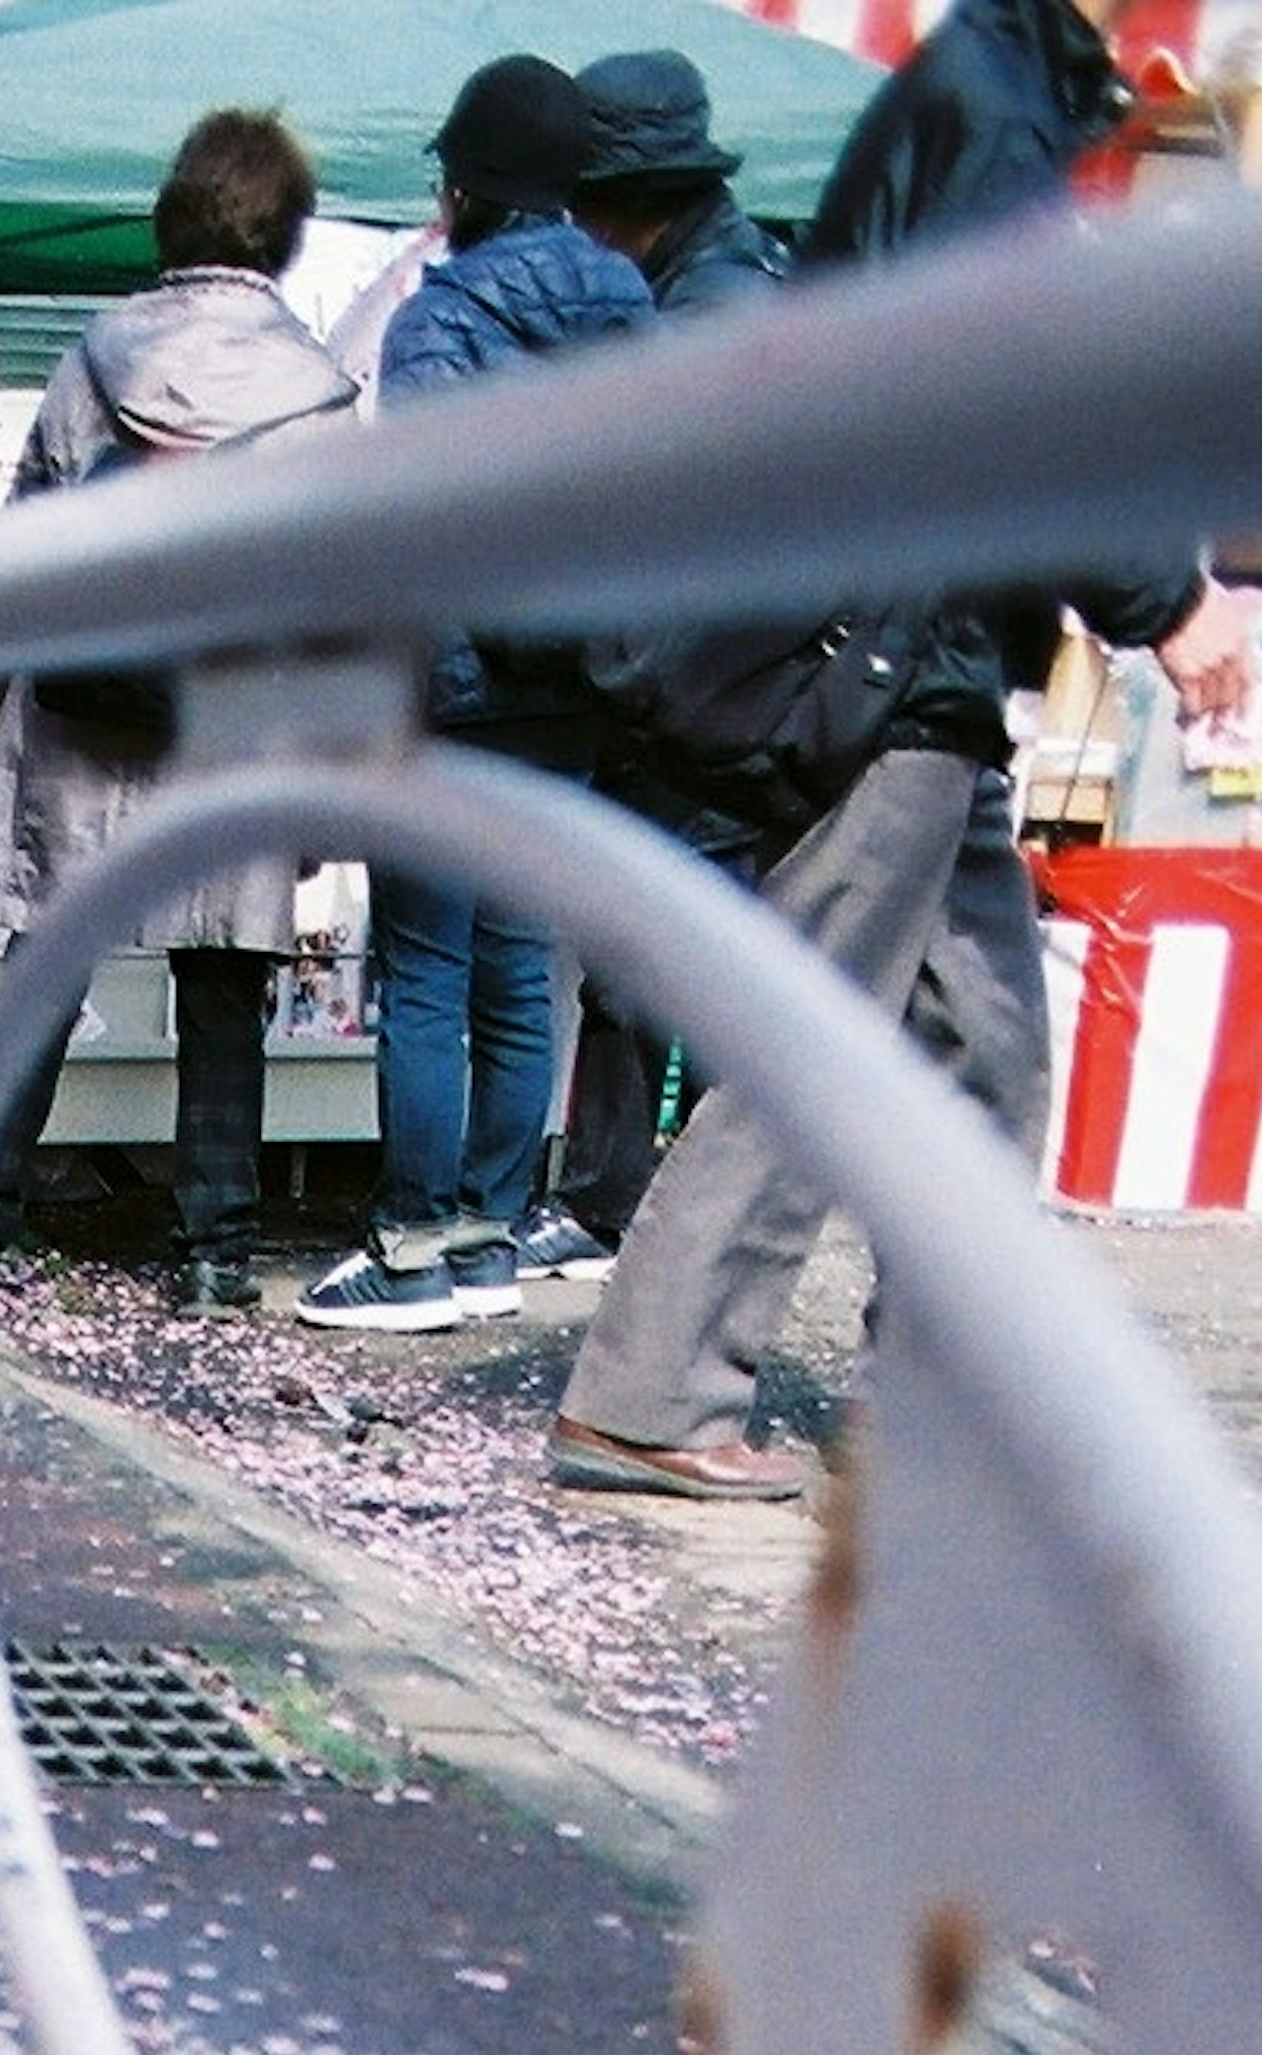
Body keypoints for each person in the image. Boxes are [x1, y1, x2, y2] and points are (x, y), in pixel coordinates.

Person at [555, 0, 1255, 1495]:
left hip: (923, 661)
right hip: (894, 659)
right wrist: (1167, 598)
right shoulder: (995, 106)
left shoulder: (1001, 96)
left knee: (986, 1057)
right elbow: (1007, 398)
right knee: (827, 1043)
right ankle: (655, 1394)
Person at [0, 110, 354, 1313]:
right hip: (236, 722)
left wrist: (19, 686)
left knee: (44, 967)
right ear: (285, 237)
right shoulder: (321, 396)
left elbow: (23, 539)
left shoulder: (94, 358)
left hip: (84, 708)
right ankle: (216, 1250)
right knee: (226, 980)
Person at [299, 57, 653, 1332]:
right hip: (577, 689)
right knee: (521, 969)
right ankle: (499, 1235)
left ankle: (411, 1246)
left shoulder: (437, 322)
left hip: (455, 687)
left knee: (428, 971)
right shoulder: (631, 304)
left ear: (470, 184)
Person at [548, 50, 790, 1245]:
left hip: (702, 700)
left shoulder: (700, 318)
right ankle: (633, 1206)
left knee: (652, 964)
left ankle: (624, 1210)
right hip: (723, 691)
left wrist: (625, 665)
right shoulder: (730, 290)